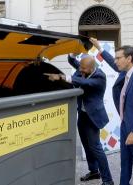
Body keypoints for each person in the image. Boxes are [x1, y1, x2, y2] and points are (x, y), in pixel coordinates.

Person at [90, 38, 133, 185]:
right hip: (126, 126)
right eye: (115, 58)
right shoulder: (126, 71)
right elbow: (113, 64)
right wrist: (99, 48)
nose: (116, 61)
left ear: (129, 58)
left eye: (118, 58)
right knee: (125, 164)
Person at [44, 55, 114, 185]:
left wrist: (62, 77)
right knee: (86, 146)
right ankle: (94, 171)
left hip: (93, 117)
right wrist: (72, 54)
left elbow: (85, 83)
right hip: (82, 115)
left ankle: (108, 180)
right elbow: (72, 61)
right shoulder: (84, 68)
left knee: (96, 148)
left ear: (91, 68)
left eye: (83, 68)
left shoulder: (99, 76)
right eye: (80, 67)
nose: (80, 70)